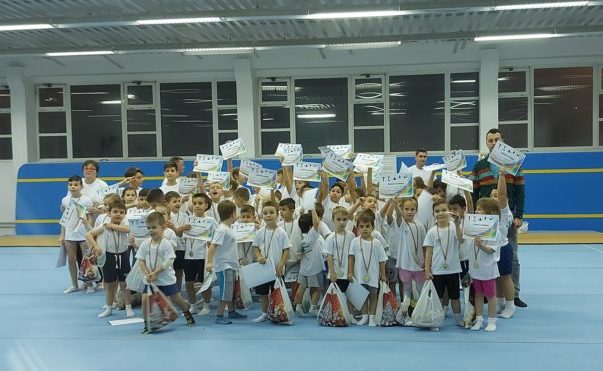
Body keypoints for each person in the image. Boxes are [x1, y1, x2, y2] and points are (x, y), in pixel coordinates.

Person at [471, 128, 527, 308]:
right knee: (487, 255)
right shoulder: (479, 166)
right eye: (490, 140)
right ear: (486, 143)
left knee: (512, 257)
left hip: (506, 218)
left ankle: (515, 294)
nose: (493, 143)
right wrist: (473, 217)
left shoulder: (514, 164)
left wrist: (519, 215)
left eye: (497, 140)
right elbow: (474, 193)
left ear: (502, 141)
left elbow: (520, 191)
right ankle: (491, 293)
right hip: (485, 221)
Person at [136, 212, 195, 334]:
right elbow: (140, 260)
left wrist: (156, 272)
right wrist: (147, 273)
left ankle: (186, 311)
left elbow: (169, 262)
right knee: (145, 299)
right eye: (149, 228)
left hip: (166, 279)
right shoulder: (145, 243)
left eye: (154, 227)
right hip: (151, 279)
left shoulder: (166, 243)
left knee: (177, 300)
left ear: (163, 227)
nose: (151, 230)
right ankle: (147, 323)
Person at [85, 200, 134, 318]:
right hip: (109, 256)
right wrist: (96, 246)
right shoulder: (103, 225)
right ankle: (109, 307)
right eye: (115, 211)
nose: (118, 214)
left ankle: (128, 307)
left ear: (125, 214)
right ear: (109, 213)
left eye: (121, 212)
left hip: (123, 256)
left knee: (124, 283)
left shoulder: (126, 223)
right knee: (110, 284)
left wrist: (111, 226)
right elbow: (88, 235)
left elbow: (127, 229)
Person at [424, 199, 464, 327]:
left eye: (443, 210)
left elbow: (460, 239)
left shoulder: (454, 227)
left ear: (450, 212)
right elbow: (428, 252)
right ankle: (436, 321)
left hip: (453, 269)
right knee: (438, 298)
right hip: (437, 270)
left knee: (455, 297)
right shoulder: (431, 232)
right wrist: (427, 270)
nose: (440, 213)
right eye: (437, 211)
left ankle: (458, 319)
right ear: (433, 214)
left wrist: (457, 224)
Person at [206, 200, 247, 324]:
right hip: (224, 266)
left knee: (229, 290)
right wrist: (209, 262)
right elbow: (212, 246)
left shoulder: (228, 228)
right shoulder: (222, 230)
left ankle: (231, 311)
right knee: (225, 292)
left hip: (231, 264)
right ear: (233, 214)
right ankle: (219, 316)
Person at [252, 200, 291, 323]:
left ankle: (277, 312)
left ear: (277, 214)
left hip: (277, 269)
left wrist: (281, 265)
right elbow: (255, 247)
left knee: (276, 292)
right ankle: (264, 313)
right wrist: (258, 257)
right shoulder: (260, 232)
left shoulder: (281, 232)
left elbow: (286, 250)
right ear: (262, 215)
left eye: (271, 212)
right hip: (263, 268)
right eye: (265, 213)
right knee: (263, 293)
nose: (268, 215)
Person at [348, 210, 388, 327]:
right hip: (359, 274)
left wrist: (383, 273)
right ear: (357, 228)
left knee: (373, 296)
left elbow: (382, 260)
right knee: (363, 296)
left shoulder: (376, 243)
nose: (364, 229)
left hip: (373, 274)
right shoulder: (355, 241)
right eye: (361, 227)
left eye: (367, 226)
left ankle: (372, 317)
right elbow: (351, 257)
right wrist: (350, 272)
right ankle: (364, 316)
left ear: (373, 227)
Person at [182, 193, 218, 315]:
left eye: (200, 203)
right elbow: (181, 237)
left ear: (206, 205)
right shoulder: (187, 219)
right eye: (195, 203)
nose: (197, 206)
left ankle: (206, 305)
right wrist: (182, 229)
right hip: (188, 256)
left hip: (203, 256)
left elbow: (218, 236)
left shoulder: (210, 220)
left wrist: (211, 242)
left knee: (205, 282)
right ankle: (193, 306)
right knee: (188, 282)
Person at [59, 175, 93, 294]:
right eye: (70, 184)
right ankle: (74, 284)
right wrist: (62, 235)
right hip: (69, 234)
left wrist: (90, 232)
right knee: (71, 259)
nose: (73, 187)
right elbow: (64, 218)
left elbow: (90, 217)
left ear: (81, 186)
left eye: (76, 184)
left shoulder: (86, 200)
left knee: (86, 260)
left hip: (83, 233)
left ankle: (88, 283)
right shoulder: (65, 200)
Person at [394, 197, 427, 319]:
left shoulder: (420, 226)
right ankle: (406, 313)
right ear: (402, 210)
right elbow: (397, 216)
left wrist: (426, 263)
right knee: (407, 290)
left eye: (412, 209)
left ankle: (420, 313)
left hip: (419, 265)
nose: (409, 211)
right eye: (406, 209)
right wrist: (395, 204)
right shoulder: (401, 224)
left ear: (416, 210)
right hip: (405, 264)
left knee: (420, 290)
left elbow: (425, 245)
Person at [293, 208, 325, 317]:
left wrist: (302, 214)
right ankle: (313, 307)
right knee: (317, 288)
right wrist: (312, 209)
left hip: (303, 268)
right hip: (314, 268)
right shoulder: (312, 236)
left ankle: (298, 306)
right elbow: (317, 223)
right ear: (311, 227)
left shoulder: (299, 236)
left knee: (301, 287)